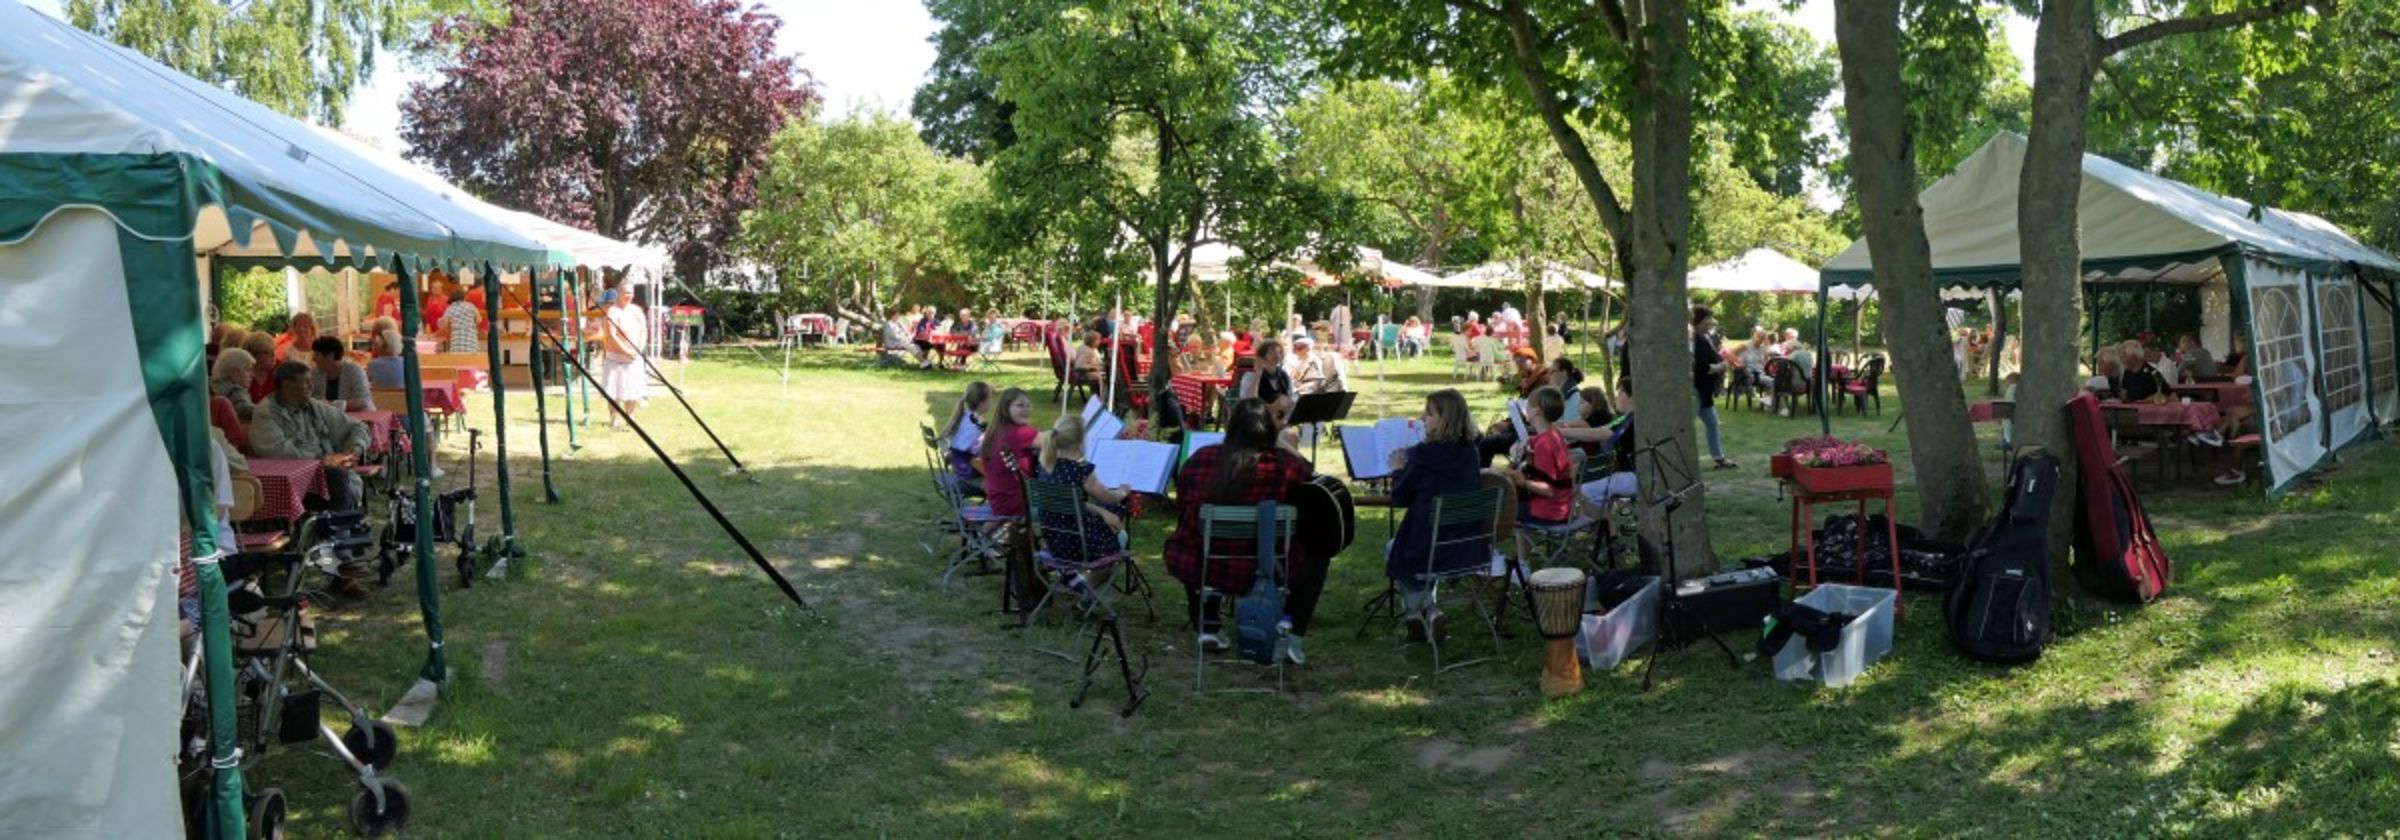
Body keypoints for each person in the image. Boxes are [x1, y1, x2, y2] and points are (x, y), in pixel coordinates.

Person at [1162, 398, 1324, 662]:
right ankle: (1292, 635)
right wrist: (1282, 444)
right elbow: (1312, 475)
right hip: (1267, 567)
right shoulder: (1283, 465)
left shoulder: (1201, 459)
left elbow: (1183, 504)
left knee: (1190, 541)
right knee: (1317, 552)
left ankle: (1207, 625)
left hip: (1205, 565)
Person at [1383, 389, 1489, 641]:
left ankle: (1421, 609)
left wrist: (1397, 469)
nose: (1422, 417)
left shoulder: (1421, 455)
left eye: (1429, 413)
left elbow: (1400, 497)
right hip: (1467, 547)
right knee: (1413, 552)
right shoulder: (1471, 453)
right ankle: (1427, 611)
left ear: (1445, 419)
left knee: (1393, 548)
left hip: (1427, 549)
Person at [250, 361, 371, 514]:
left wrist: (353, 450)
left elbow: (358, 427)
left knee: (338, 476)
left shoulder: (315, 406)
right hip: (293, 483)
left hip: (325, 475)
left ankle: (341, 524)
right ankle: (341, 525)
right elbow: (277, 451)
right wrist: (323, 461)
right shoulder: (266, 411)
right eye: (305, 382)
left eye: (311, 381)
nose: (311, 386)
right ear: (287, 385)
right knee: (335, 476)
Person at [1034, 415, 1134, 576]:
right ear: (1079, 443)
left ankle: (1072, 579)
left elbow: (1069, 502)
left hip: (1054, 542)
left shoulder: (1045, 466)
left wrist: (1102, 512)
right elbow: (1108, 497)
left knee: (1107, 513)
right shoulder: (1081, 470)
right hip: (1081, 546)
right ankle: (1087, 590)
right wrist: (1122, 492)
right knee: (1119, 529)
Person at [1510, 386, 1576, 525]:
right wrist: (1528, 445)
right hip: (1562, 507)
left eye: (1528, 405)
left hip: (1548, 512)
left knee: (1501, 510)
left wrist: (1522, 482)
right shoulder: (1554, 434)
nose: (1525, 408)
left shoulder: (1544, 445)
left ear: (1537, 410)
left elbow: (1548, 490)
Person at [980, 388, 1040, 518]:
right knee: (1065, 507)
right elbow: (1054, 441)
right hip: (1016, 505)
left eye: (1028, 405)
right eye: (1020, 405)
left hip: (998, 500)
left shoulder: (996, 429)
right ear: (1006, 408)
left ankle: (994, 528)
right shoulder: (1020, 433)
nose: (1026, 409)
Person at [598, 279, 650, 429]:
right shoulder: (612, 311)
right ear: (619, 293)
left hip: (634, 357)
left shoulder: (637, 310)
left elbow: (644, 330)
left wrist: (638, 349)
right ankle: (614, 419)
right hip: (616, 358)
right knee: (615, 391)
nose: (630, 296)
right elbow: (612, 336)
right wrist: (626, 351)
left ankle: (630, 417)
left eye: (631, 293)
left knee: (632, 389)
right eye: (627, 292)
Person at [1692, 306, 1735, 469]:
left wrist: (1721, 362)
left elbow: (1713, 357)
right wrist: (1721, 366)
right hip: (1695, 390)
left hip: (1704, 391)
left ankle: (1719, 458)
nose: (1709, 324)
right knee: (1687, 428)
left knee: (1712, 423)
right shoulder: (1694, 340)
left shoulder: (1703, 338)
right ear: (1698, 322)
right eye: (1706, 321)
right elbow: (1702, 368)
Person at [942, 381, 994, 496]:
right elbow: (967, 450)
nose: (991, 402)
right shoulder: (976, 426)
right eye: (989, 399)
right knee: (1002, 481)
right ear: (982, 404)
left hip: (960, 467)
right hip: (968, 473)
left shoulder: (965, 415)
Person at [1238, 339, 1294, 427]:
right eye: (1271, 352)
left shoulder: (1284, 376)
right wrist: (1258, 373)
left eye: (1279, 352)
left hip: (1279, 419)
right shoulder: (1250, 375)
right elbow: (1249, 399)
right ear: (1262, 356)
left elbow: (1290, 399)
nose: (1276, 355)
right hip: (1256, 419)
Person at [307, 336, 371, 412]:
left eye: (317, 354)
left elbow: (363, 401)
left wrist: (331, 405)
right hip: (330, 416)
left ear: (330, 355)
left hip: (360, 416)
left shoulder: (355, 371)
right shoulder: (315, 372)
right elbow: (308, 397)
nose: (313, 358)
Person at [209, 348, 260, 422]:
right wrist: (267, 410)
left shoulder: (208, 386)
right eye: (248, 370)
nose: (252, 375)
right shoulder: (235, 391)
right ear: (234, 373)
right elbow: (243, 409)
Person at [439, 286, 481, 354]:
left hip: (456, 341)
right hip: (471, 340)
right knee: (472, 359)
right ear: (464, 297)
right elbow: (479, 320)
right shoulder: (471, 306)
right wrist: (473, 328)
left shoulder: (450, 309)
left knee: (457, 359)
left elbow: (443, 326)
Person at [240, 333, 280, 402]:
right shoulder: (241, 373)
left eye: (273, 350)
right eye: (267, 352)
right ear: (253, 355)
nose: (273, 355)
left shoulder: (280, 370)